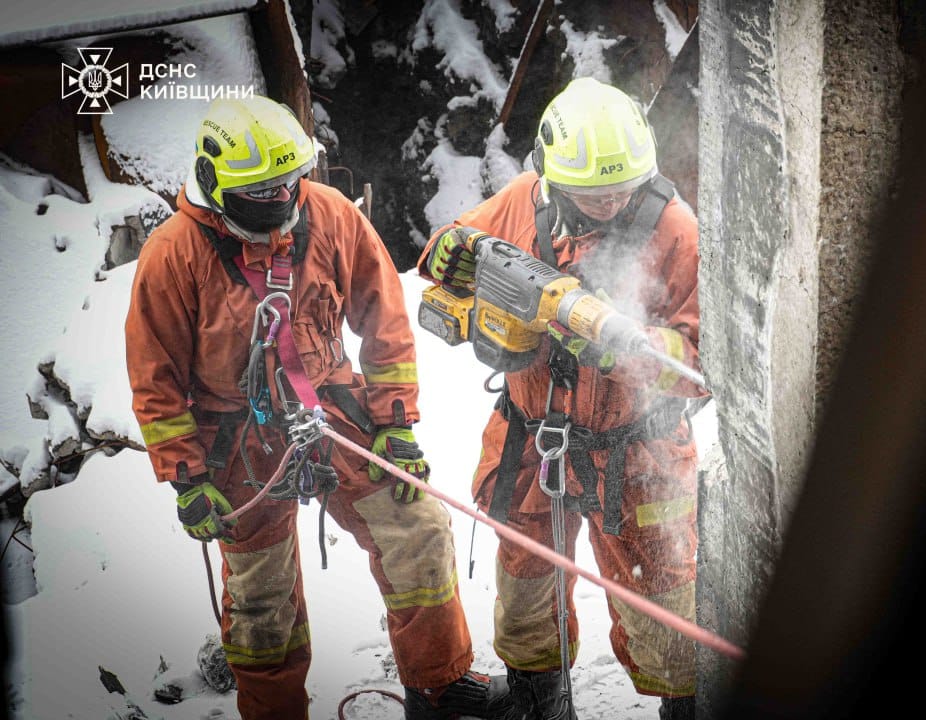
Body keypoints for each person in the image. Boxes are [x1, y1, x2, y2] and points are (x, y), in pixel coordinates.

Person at [125, 95, 511, 720]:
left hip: (333, 409)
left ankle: (441, 687)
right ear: (214, 181)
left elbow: (384, 322)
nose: (281, 199)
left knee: (416, 531)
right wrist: (186, 477)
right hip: (236, 438)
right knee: (260, 598)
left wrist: (395, 426)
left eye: (288, 183)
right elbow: (155, 375)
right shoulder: (174, 254)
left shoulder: (328, 213)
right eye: (262, 191)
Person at [418, 77, 706, 720]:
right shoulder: (525, 200)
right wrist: (452, 252)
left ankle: (685, 705)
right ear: (552, 176)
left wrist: (638, 350)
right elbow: (440, 254)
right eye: (594, 192)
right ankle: (537, 704)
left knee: (662, 598)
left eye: (622, 189)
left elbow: (704, 361)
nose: (610, 202)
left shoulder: (676, 229)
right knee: (525, 581)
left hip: (636, 451)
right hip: (530, 434)